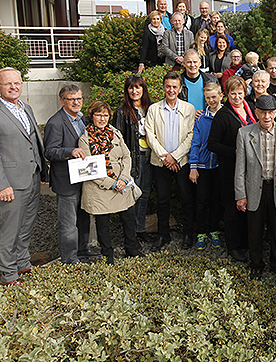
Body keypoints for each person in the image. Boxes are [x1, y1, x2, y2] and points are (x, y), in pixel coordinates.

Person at [0, 67, 48, 285]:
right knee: (10, 230)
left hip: (32, 177)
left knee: (27, 225)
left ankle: (23, 264)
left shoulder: (26, 108)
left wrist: (42, 171)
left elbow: (34, 142)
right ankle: (8, 274)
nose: (13, 87)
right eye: (7, 84)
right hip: (11, 184)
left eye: (17, 83)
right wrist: (1, 185)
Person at [235, 95, 276, 280]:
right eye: (262, 112)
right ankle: (256, 264)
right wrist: (240, 195)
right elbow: (240, 167)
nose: (267, 116)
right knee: (254, 230)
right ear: (256, 113)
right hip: (255, 187)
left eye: (270, 112)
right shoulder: (244, 133)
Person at [79, 101, 144, 264]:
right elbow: (89, 169)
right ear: (91, 116)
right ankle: (108, 254)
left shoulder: (115, 133)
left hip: (121, 182)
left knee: (128, 218)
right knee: (103, 223)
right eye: (98, 115)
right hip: (99, 187)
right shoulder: (84, 139)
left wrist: (122, 178)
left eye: (105, 115)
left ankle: (132, 248)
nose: (102, 119)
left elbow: (126, 156)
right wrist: (111, 183)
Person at [145, 72, 196, 251]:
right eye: (168, 86)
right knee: (162, 199)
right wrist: (165, 157)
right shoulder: (153, 109)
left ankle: (189, 233)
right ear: (163, 87)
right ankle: (163, 235)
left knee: (186, 198)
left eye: (175, 87)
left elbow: (191, 135)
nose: (171, 90)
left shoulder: (188, 108)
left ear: (180, 88)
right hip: (160, 162)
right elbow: (149, 135)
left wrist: (174, 157)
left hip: (181, 162)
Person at [207, 76, 256, 262]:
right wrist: (234, 151)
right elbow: (212, 144)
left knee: (247, 206)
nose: (237, 97)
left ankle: (245, 241)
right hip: (230, 168)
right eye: (233, 93)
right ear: (226, 94)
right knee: (232, 208)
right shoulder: (223, 115)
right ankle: (233, 246)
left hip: (250, 168)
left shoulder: (250, 109)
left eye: (240, 93)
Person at [44, 84, 91, 264]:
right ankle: (70, 259)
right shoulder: (55, 122)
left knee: (84, 216)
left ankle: (83, 250)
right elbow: (49, 151)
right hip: (66, 180)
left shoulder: (81, 119)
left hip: (83, 177)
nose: (76, 102)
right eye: (71, 99)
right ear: (62, 101)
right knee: (68, 223)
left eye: (79, 98)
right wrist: (70, 151)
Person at [111, 75, 155, 243]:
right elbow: (117, 141)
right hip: (132, 160)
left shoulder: (151, 108)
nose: (134, 91)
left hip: (149, 157)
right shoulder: (121, 112)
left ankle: (140, 228)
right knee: (131, 196)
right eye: (131, 87)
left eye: (138, 87)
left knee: (144, 194)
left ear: (143, 89)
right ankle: (130, 234)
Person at [189, 83, 223, 251]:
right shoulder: (200, 118)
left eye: (214, 97)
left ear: (220, 96)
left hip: (219, 166)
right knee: (201, 200)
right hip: (202, 166)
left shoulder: (225, 115)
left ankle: (214, 229)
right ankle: (201, 231)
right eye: (208, 98)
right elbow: (195, 143)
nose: (211, 100)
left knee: (216, 200)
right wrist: (193, 166)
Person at [178, 49, 219, 116]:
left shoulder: (212, 80)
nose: (192, 65)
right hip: (185, 122)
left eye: (195, 62)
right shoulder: (177, 82)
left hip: (208, 121)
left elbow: (219, 103)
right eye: (189, 62)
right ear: (184, 64)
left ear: (200, 63)